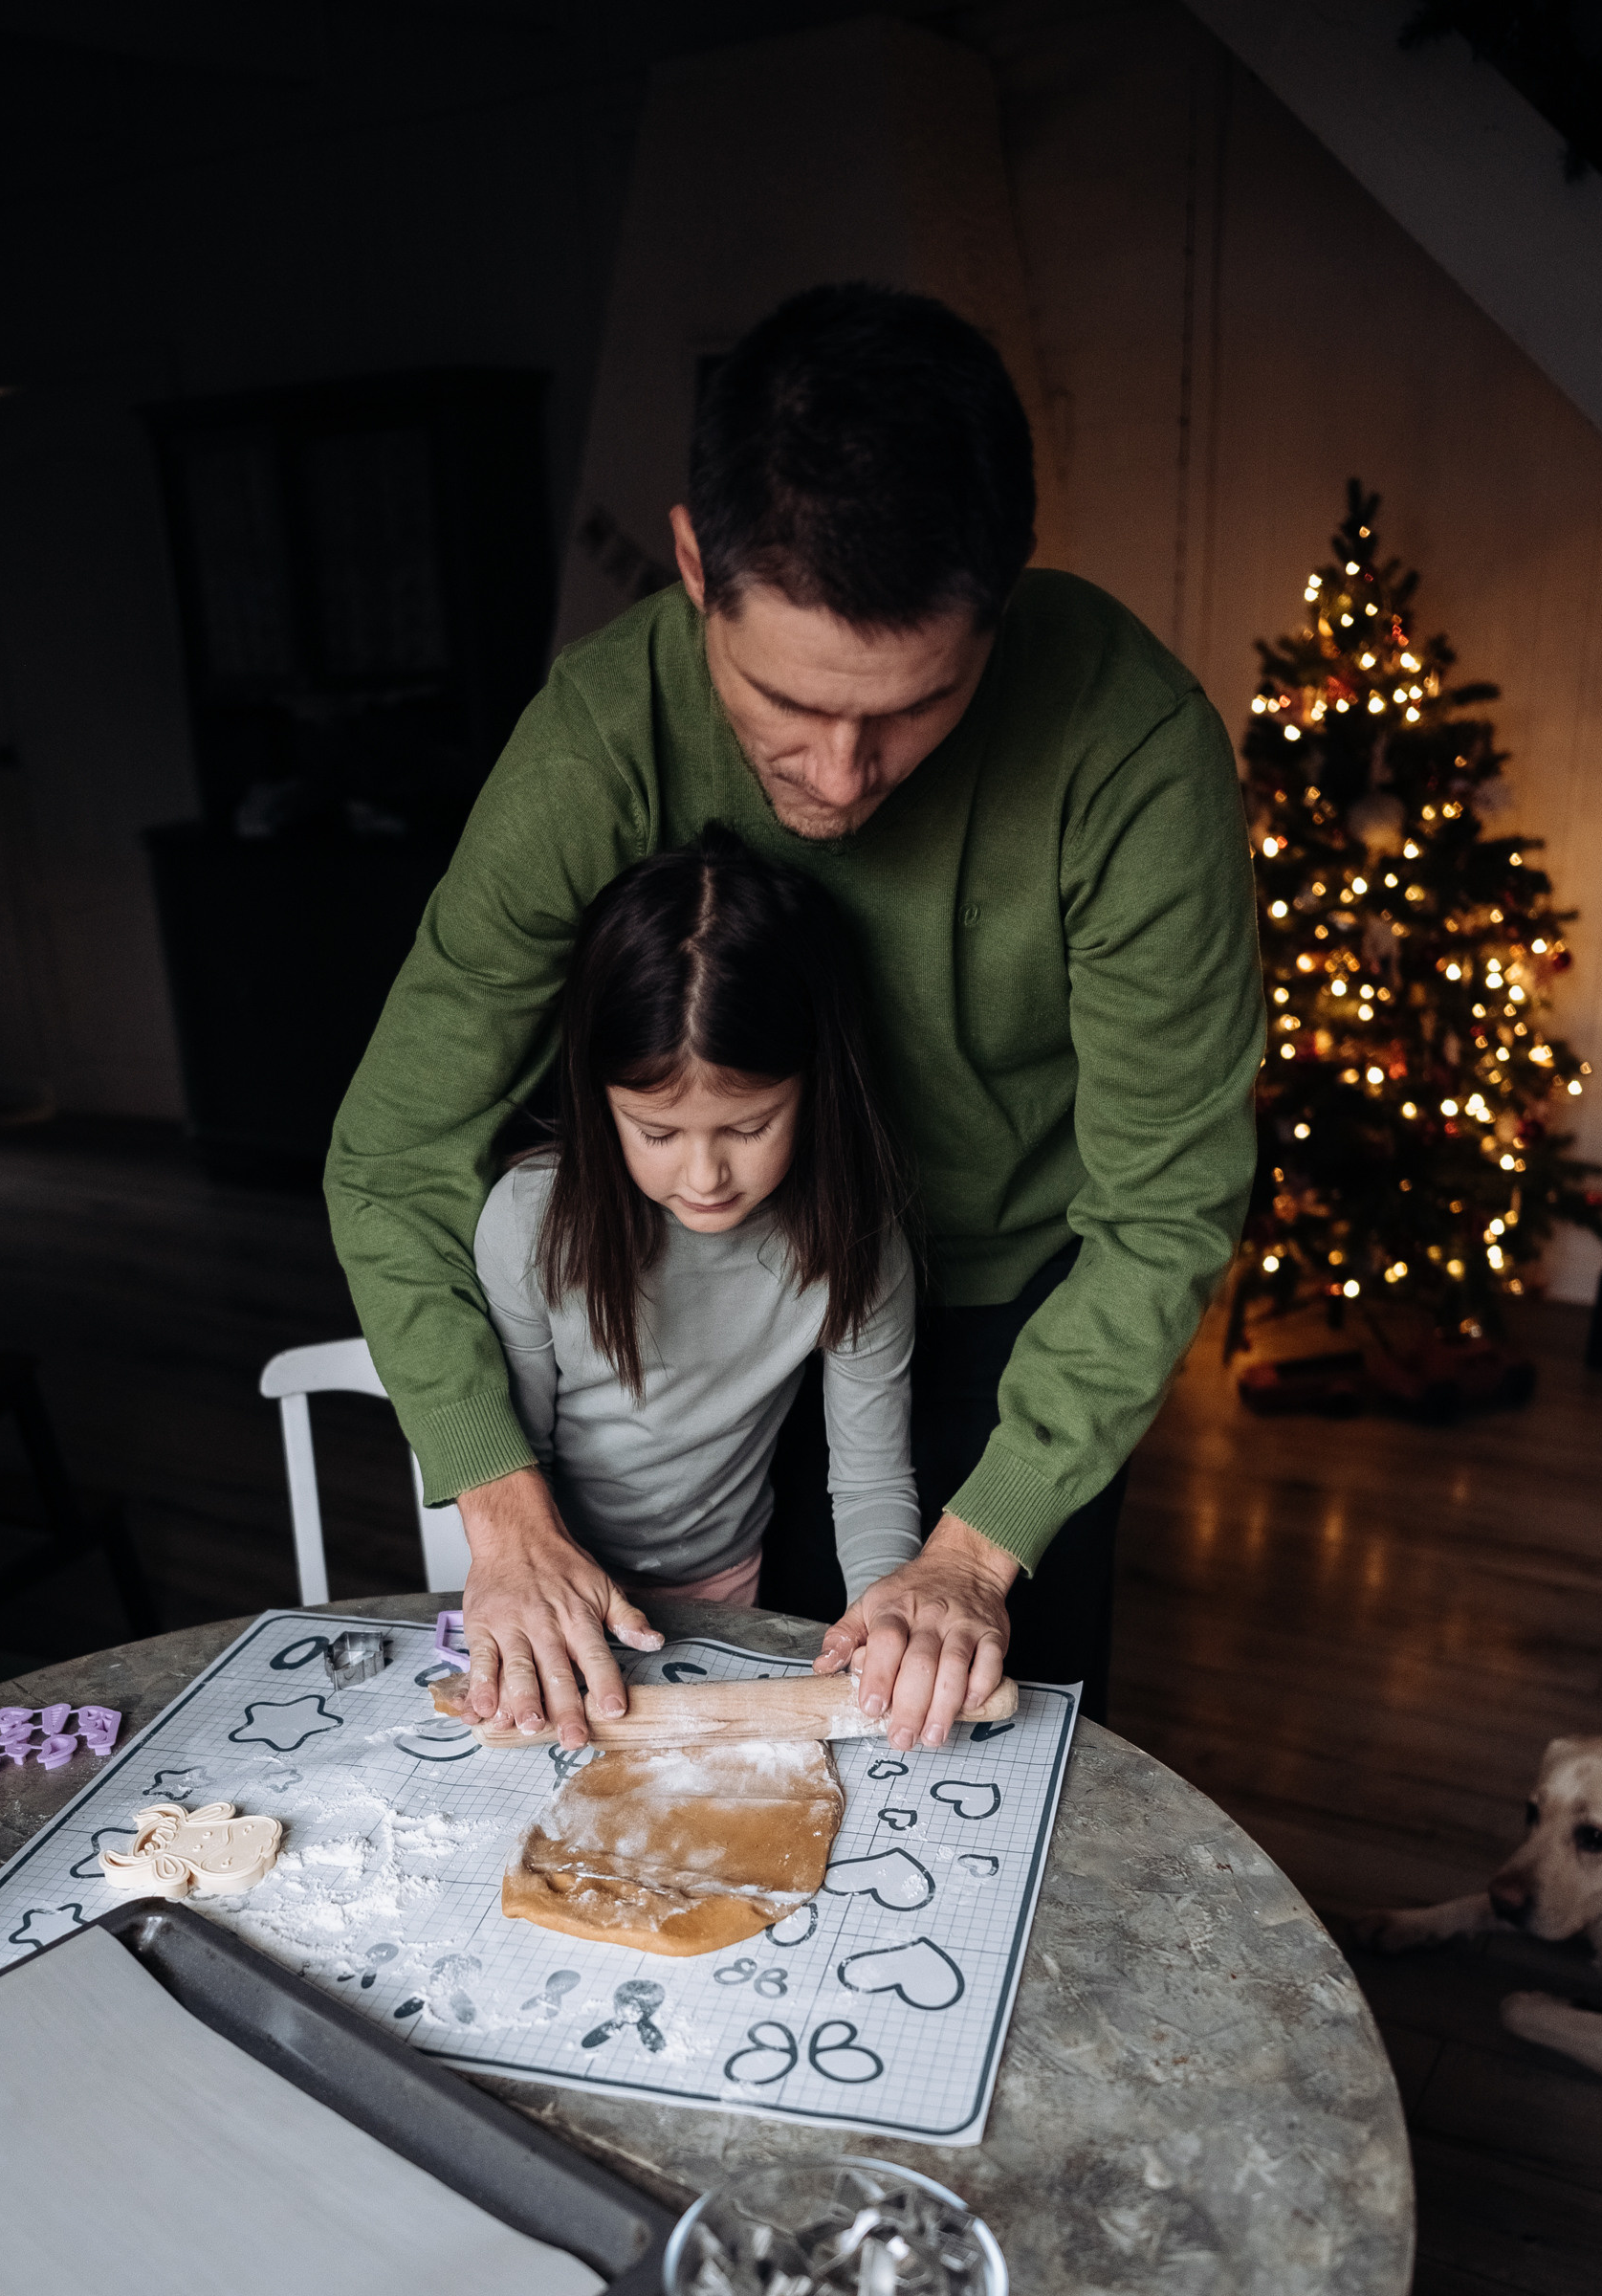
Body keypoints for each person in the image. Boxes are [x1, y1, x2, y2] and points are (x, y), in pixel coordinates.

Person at [327, 280, 1264, 1755]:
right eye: (787, 704)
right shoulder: (599, 736)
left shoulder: (1131, 748)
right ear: (696, 566)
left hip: (1019, 1315)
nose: (839, 779)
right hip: (731, 1303)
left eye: (912, 707)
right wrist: (502, 1511)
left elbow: (1165, 1208)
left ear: (1001, 601)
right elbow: (392, 1155)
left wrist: (972, 1555)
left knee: (982, 1741)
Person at [469, 826, 923, 1740]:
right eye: (657, 1132)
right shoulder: (529, 1222)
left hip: (728, 1586)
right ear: (600, 1101)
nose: (706, 1176)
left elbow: (871, 1479)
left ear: (814, 1086)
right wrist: (546, 1593)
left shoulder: (859, 1246)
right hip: (554, 1595)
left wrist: (884, 1619)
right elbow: (518, 1463)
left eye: (749, 1128)